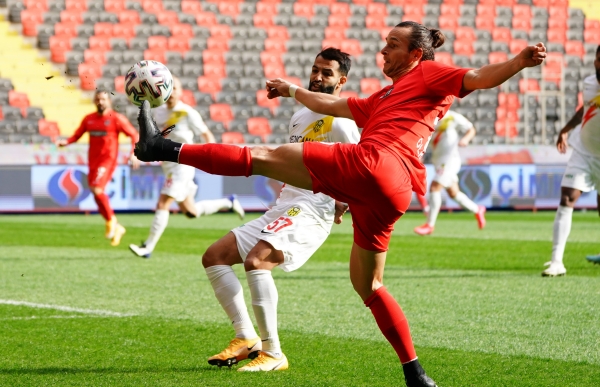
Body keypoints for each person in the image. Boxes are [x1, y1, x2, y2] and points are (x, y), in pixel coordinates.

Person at [134, 21, 546, 387]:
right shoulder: (386, 95)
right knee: (369, 285)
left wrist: (518, 61)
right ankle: (414, 371)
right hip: (391, 193)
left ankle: (162, 148)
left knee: (261, 157)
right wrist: (291, 89)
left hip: (374, 164)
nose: (382, 50)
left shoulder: (430, 73)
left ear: (415, 54)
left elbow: (476, 76)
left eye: (392, 44)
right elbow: (331, 104)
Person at [201, 48, 360, 372]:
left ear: (341, 81)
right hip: (287, 203)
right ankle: (246, 338)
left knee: (257, 261)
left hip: (315, 206)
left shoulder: (343, 122)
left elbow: (358, 168)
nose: (317, 77)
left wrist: (345, 201)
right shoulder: (299, 116)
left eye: (326, 73)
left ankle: (273, 353)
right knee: (214, 256)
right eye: (315, 69)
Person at [129, 77, 244, 259]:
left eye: (175, 89)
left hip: (182, 165)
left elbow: (206, 133)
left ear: (181, 92)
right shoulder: (158, 112)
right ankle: (229, 202)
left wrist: (214, 156)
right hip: (168, 165)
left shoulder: (186, 112)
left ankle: (148, 247)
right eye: (169, 89)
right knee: (191, 212)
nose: (172, 92)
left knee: (162, 203)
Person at [543, 45, 600, 276]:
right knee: (567, 197)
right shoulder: (589, 83)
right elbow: (585, 108)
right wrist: (565, 129)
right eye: (598, 58)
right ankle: (556, 262)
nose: (598, 64)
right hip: (584, 152)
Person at [56, 89, 139, 246]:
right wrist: (65, 142)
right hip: (92, 162)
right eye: (98, 99)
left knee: (97, 190)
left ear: (109, 101)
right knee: (95, 193)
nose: (100, 102)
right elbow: (76, 135)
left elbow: (134, 135)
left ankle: (111, 220)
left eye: (103, 99)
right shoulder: (89, 119)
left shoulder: (116, 119)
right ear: (95, 101)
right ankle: (116, 225)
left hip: (107, 161)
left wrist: (133, 153)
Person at [414, 110, 485, 235]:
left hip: (450, 161)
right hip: (438, 161)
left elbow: (471, 129)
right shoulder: (428, 119)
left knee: (434, 186)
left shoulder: (452, 116)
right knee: (454, 193)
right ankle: (477, 209)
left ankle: (430, 225)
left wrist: (465, 140)